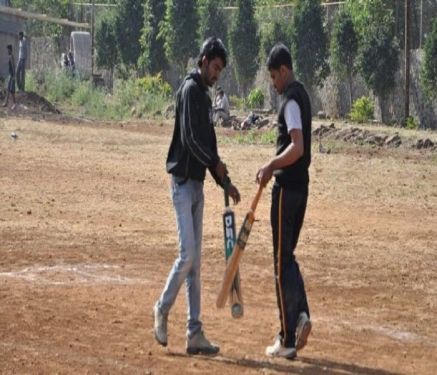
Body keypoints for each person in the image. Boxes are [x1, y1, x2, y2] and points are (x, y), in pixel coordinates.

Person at [153, 37, 241, 355]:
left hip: (198, 187)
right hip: (181, 185)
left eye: (220, 70)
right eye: (215, 67)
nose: (217, 74)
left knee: (195, 265)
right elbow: (190, 139)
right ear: (203, 60)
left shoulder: (203, 97)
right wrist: (215, 164)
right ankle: (162, 310)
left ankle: (194, 333)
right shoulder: (190, 91)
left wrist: (225, 182)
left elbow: (210, 145)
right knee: (187, 255)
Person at [255, 43, 312, 360]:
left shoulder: (290, 100)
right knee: (287, 258)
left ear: (284, 71)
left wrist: (270, 165)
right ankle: (301, 316)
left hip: (287, 190)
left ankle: (287, 337)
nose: (273, 84)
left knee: (280, 263)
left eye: (274, 77)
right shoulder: (302, 94)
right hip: (300, 189)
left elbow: (297, 147)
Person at [2, 45, 16, 110]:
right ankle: (6, 103)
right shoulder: (10, 56)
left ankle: (14, 104)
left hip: (12, 75)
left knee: (11, 91)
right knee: (9, 89)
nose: (7, 51)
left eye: (8, 50)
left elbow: (13, 66)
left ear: (10, 50)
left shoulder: (11, 57)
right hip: (11, 75)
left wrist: (13, 76)